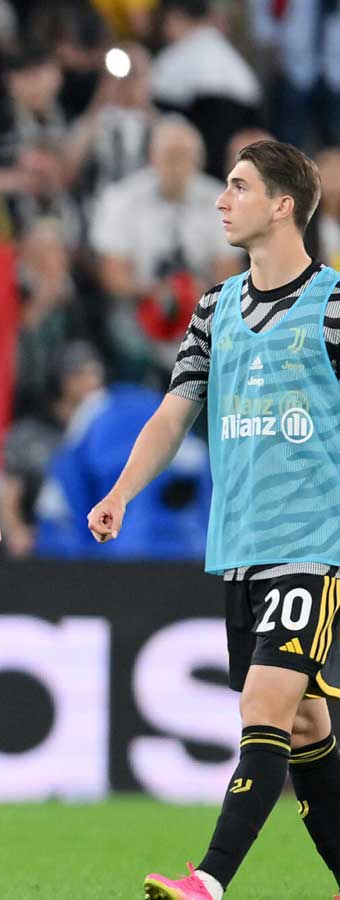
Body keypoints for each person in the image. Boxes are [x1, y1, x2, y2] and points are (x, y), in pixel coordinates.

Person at [87, 140, 340, 900]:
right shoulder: (215, 307)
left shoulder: (333, 305)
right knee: (304, 726)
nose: (221, 201)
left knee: (264, 708)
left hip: (312, 544)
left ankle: (209, 880)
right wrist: (122, 492)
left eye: (238, 187)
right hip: (241, 545)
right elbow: (175, 412)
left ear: (283, 205)